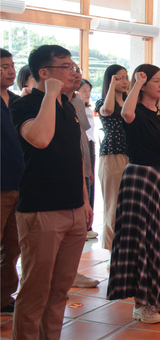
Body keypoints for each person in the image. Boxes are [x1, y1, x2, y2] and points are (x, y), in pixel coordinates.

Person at [9, 45, 92, 339]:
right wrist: (50, 94)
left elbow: (76, 156)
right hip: (41, 210)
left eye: (73, 66)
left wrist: (84, 200)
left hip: (74, 209)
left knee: (60, 290)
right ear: (44, 73)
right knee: (35, 291)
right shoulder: (25, 106)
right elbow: (41, 139)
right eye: (65, 67)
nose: (73, 72)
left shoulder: (68, 107)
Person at [106, 64, 160, 324]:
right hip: (140, 178)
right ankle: (142, 303)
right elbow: (125, 113)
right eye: (155, 80)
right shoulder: (134, 111)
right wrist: (136, 82)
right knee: (143, 239)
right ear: (143, 84)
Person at [67, 70, 100, 288]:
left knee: (79, 226)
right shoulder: (48, 103)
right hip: (64, 170)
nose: (76, 75)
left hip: (83, 162)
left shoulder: (78, 102)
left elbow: (84, 136)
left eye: (77, 70)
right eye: (68, 69)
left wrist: (87, 169)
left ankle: (72, 272)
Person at [0, 49, 24, 316]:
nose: (10, 71)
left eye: (11, 65)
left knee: (13, 246)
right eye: (3, 67)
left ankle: (4, 296)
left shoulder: (18, 102)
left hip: (20, 182)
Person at [96, 64, 129, 251]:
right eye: (119, 78)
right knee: (114, 205)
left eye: (126, 77)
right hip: (112, 155)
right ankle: (112, 252)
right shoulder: (103, 102)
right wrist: (112, 87)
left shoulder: (130, 101)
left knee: (130, 206)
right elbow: (107, 110)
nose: (124, 81)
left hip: (131, 155)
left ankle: (128, 250)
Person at [76, 78, 98, 238]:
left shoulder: (88, 110)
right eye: (84, 90)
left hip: (90, 145)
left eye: (89, 90)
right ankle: (83, 226)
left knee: (91, 184)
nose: (87, 93)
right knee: (83, 183)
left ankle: (88, 225)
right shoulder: (74, 107)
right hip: (81, 146)